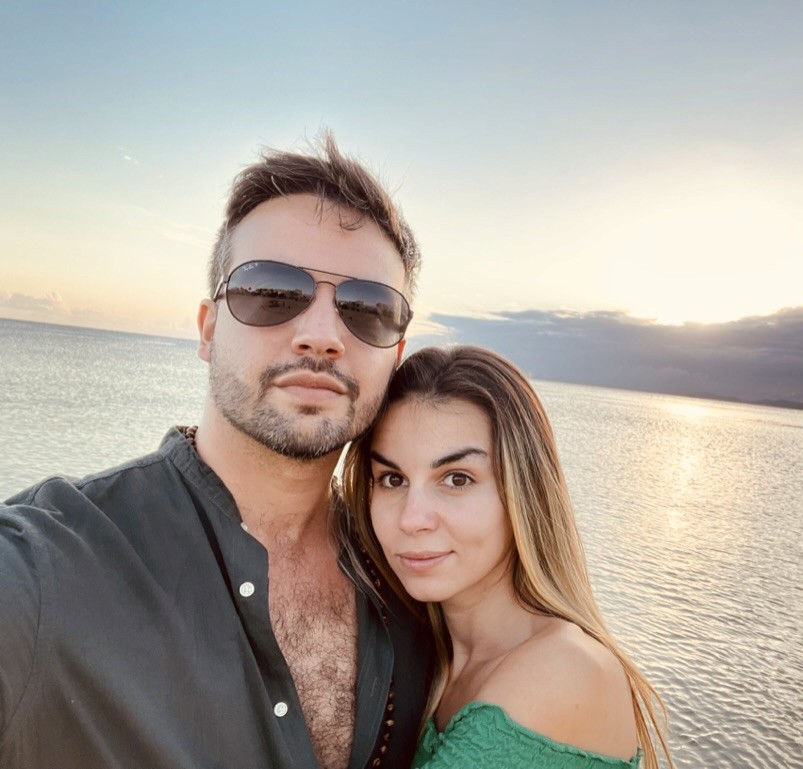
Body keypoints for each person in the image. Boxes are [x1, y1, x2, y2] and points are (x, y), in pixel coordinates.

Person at [0, 133, 432, 769]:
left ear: (393, 355)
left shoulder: (416, 576)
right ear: (208, 329)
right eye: (272, 292)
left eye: (366, 308)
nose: (321, 335)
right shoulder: (49, 565)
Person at [342, 346, 675, 768]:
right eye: (392, 479)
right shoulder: (434, 659)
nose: (412, 519)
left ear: (522, 492)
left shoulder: (563, 670)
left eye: (457, 479)